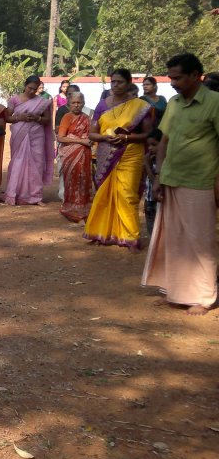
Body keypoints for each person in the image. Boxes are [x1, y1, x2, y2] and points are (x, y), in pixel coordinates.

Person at [143, 53, 219, 315]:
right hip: (171, 178)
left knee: (201, 240)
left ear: (196, 75)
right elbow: (163, 142)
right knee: (175, 238)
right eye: (171, 77)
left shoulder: (215, 103)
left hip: (201, 180)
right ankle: (178, 291)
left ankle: (204, 297)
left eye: (178, 77)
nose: (173, 82)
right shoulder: (174, 103)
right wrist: (158, 176)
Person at [83, 68, 153, 249]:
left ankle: (130, 237)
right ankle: (102, 232)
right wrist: (105, 138)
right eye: (113, 82)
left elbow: (147, 133)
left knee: (127, 194)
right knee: (104, 194)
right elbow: (92, 134)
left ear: (129, 83)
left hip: (131, 153)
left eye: (119, 82)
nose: (115, 85)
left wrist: (126, 138)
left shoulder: (139, 105)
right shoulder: (102, 105)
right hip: (107, 153)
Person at [4, 75, 55, 205]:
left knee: (36, 165)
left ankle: (35, 196)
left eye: (35, 89)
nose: (32, 91)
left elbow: (47, 120)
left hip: (36, 135)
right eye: (29, 88)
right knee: (17, 163)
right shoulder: (14, 100)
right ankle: (14, 194)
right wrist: (19, 117)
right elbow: (7, 117)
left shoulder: (42, 102)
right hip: (19, 135)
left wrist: (37, 118)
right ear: (25, 86)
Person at [56, 91, 93, 222]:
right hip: (70, 155)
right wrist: (80, 141)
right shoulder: (66, 117)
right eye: (74, 103)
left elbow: (91, 135)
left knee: (84, 180)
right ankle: (71, 208)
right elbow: (60, 137)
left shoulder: (87, 118)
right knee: (72, 180)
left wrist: (87, 141)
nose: (76, 105)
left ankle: (83, 208)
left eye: (79, 102)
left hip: (85, 154)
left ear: (83, 103)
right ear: (69, 104)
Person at [143, 128, 162, 235]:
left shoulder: (161, 163)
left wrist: (147, 165)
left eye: (153, 144)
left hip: (158, 201)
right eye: (148, 145)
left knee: (158, 233)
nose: (150, 148)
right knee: (152, 233)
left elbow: (155, 182)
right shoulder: (151, 159)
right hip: (149, 201)